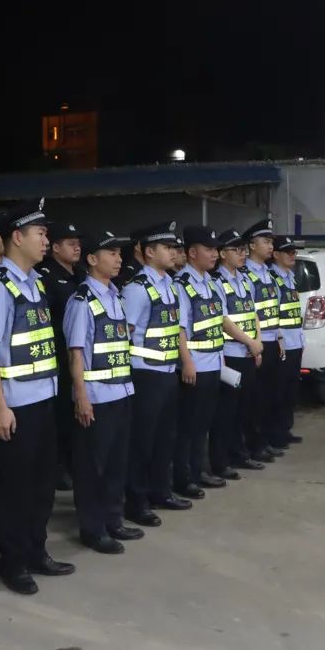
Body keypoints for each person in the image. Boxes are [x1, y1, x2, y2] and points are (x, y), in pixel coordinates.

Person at [0, 199, 75, 595]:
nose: (46, 240)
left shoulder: (35, 283)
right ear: (17, 237)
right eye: (40, 233)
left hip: (42, 400)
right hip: (14, 406)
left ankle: (37, 550)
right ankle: (12, 562)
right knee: (14, 489)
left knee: (41, 485)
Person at [63, 230, 145, 554]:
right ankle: (92, 529)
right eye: (111, 253)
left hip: (121, 392)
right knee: (92, 469)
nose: (118, 259)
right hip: (96, 398)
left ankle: (113, 520)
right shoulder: (82, 300)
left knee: (115, 465)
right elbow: (75, 353)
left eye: (119, 253)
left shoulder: (117, 296)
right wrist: (81, 396)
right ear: (92, 259)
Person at [122, 221, 192, 527]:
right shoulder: (136, 289)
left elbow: (176, 329)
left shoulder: (171, 286)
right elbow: (124, 335)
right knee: (142, 441)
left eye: (174, 247)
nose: (173, 252)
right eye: (167, 247)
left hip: (167, 372)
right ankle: (136, 502)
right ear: (149, 252)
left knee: (166, 437)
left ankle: (160, 491)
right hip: (144, 375)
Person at [209, 228, 265, 477]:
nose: (243, 254)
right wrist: (250, 342)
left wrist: (257, 343)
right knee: (226, 412)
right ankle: (221, 462)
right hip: (230, 355)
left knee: (244, 408)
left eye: (244, 249)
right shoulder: (217, 282)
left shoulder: (244, 279)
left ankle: (240, 454)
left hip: (248, 353)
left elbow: (253, 314)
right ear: (222, 253)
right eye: (237, 250)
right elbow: (224, 321)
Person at [37, 220, 86, 492]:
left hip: (79, 355)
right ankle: (58, 468)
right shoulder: (45, 275)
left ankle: (70, 463)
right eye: (70, 243)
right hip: (57, 353)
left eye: (78, 243)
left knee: (75, 413)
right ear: (55, 248)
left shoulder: (81, 274)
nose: (76, 248)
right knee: (60, 414)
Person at [241, 216, 285, 464]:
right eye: (265, 241)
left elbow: (273, 310)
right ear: (252, 245)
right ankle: (253, 445)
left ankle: (265, 441)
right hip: (254, 344)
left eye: (271, 242)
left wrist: (279, 338)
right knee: (254, 399)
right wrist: (254, 344)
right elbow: (248, 313)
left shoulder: (269, 273)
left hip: (271, 340)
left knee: (269, 395)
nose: (270, 246)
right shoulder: (245, 274)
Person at [268, 234, 306, 450]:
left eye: (294, 252)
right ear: (276, 254)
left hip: (295, 341)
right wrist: (280, 338)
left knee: (291, 389)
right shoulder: (272, 278)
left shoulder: (290, 277)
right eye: (288, 252)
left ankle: (285, 429)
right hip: (282, 343)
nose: (293, 255)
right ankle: (275, 433)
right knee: (278, 390)